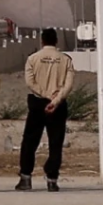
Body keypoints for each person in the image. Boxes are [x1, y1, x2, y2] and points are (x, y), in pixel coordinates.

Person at [16, 28, 76, 192]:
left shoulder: (32, 59)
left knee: (30, 142)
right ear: (57, 41)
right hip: (58, 106)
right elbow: (68, 85)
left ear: (41, 41)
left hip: (37, 104)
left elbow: (30, 82)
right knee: (55, 143)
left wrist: (45, 95)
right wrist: (55, 99)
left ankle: (25, 178)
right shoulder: (65, 60)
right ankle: (52, 179)